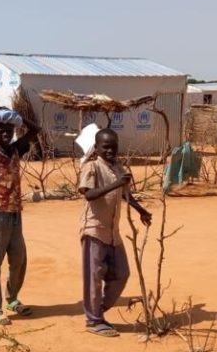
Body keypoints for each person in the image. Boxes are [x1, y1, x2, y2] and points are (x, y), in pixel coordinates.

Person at [77, 128, 152, 337]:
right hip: (94, 229)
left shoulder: (118, 168)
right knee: (94, 277)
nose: (110, 150)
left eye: (113, 146)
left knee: (122, 273)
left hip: (113, 232)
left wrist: (141, 211)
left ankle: (97, 310)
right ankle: (93, 321)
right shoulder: (91, 167)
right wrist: (117, 183)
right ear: (97, 147)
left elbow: (125, 194)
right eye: (105, 147)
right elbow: (89, 194)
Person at [0, 106, 41, 325]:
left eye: (9, 131)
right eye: (1, 131)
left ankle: (12, 298)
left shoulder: (15, 150)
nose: (6, 134)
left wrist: (19, 118)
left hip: (14, 213)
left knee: (19, 259)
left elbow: (36, 130)